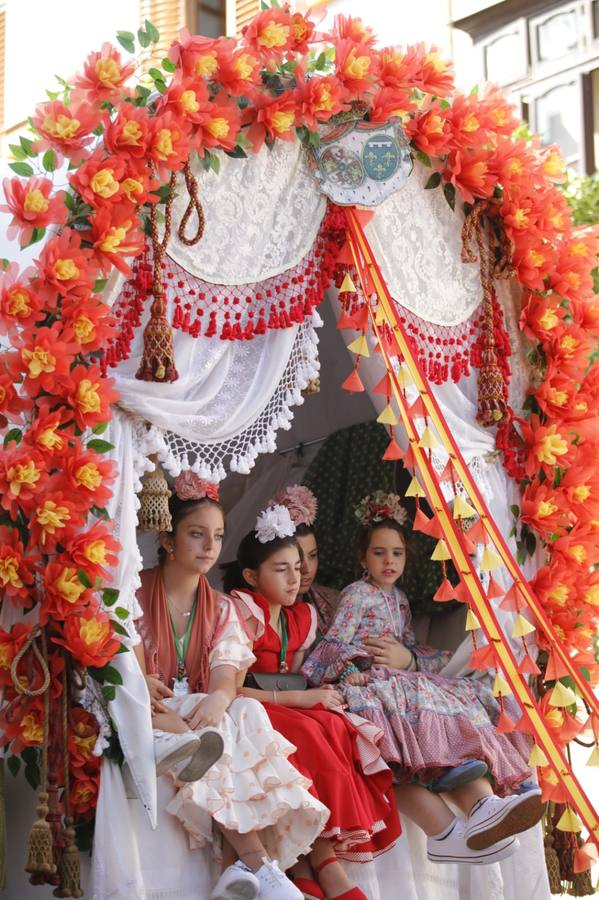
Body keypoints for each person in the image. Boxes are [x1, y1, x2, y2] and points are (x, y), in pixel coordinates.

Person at [301, 492, 546, 861]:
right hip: (372, 679)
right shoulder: (356, 594)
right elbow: (336, 640)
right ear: (362, 558)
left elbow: (410, 645)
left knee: (468, 689)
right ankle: (467, 792)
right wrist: (351, 670)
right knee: (426, 698)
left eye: (397, 553)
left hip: (401, 675)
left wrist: (414, 660)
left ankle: (503, 788)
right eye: (379, 552)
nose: (388, 561)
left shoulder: (399, 599)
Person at [133, 472, 329, 900]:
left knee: (245, 710)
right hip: (147, 710)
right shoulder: (133, 592)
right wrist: (139, 682)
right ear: (168, 539)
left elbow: (225, 675)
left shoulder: (220, 606)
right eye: (197, 534)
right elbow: (124, 667)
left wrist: (222, 697)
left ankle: (240, 869)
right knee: (213, 727)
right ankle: (258, 866)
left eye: (218, 536)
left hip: (198, 710)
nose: (209, 547)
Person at [272, 485, 340, 634]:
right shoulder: (255, 611)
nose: (307, 569)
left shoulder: (334, 602)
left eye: (313, 555)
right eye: (298, 558)